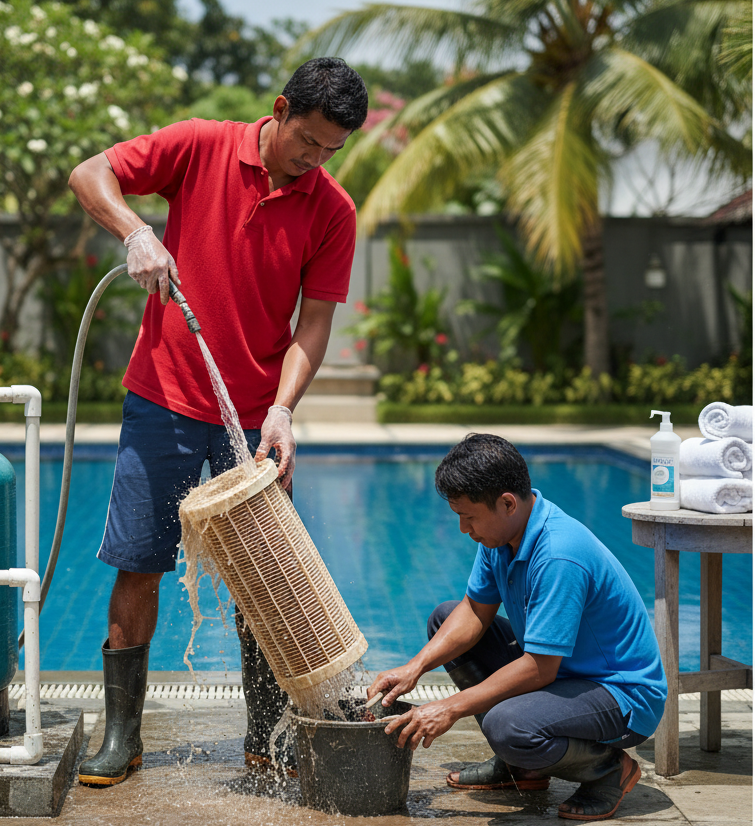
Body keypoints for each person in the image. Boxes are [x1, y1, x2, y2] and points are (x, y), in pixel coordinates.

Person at [67, 57, 368, 786]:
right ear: (281, 109)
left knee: (267, 580)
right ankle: (122, 736)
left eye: (333, 151)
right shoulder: (200, 144)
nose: (316, 161)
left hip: (253, 422)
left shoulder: (332, 210)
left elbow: (314, 325)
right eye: (310, 143)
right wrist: (136, 230)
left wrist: (284, 410)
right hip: (162, 399)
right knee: (138, 563)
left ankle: (267, 739)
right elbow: (88, 173)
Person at [368, 434, 667, 822]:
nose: (463, 528)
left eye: (469, 517)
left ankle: (608, 769)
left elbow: (540, 668)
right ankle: (521, 766)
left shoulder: (560, 553)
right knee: (444, 618)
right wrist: (415, 668)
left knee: (507, 726)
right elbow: (475, 610)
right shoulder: (501, 535)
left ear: (507, 503)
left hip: (620, 694)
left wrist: (448, 707)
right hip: (564, 675)